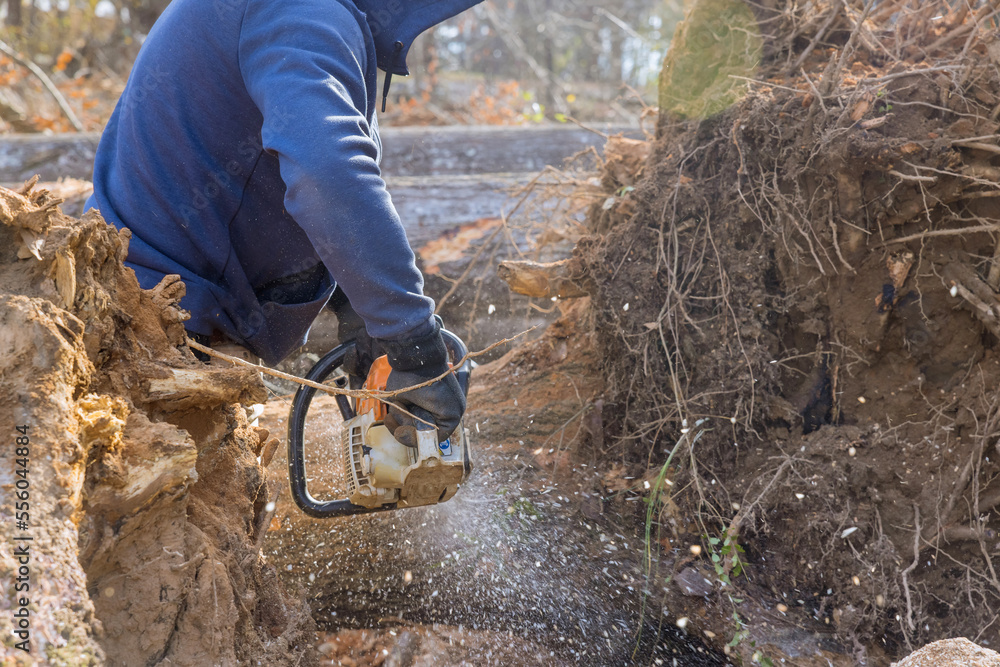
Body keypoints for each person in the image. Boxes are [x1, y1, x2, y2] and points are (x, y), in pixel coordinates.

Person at [84, 0, 484, 446]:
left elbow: (274, 155)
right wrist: (411, 338)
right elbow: (327, 171)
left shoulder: (309, 15)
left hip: (160, 295)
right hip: (152, 323)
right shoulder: (303, 11)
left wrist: (356, 303)